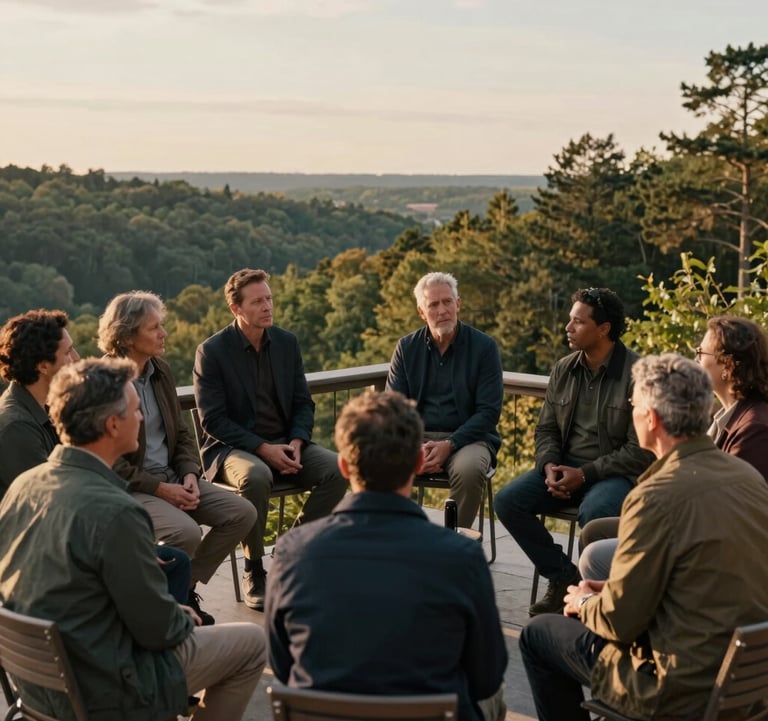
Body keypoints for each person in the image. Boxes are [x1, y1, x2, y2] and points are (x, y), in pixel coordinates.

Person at [0, 357, 266, 720]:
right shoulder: (116, 511)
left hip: (40, 684)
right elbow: (159, 631)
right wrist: (179, 617)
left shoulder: (23, 487)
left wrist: (170, 613)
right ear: (112, 424)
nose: (141, 419)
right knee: (252, 643)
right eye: (137, 411)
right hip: (108, 685)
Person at [519, 354, 768, 721]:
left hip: (678, 689)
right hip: (748, 681)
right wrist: (610, 590)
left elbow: (621, 622)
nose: (631, 412)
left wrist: (586, 602)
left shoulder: (654, 495)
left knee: (539, 634)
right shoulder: (749, 480)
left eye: (632, 404)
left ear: (651, 419)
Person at [265, 390, 508, 721]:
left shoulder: (293, 552)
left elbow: (283, 666)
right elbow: (486, 677)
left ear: (343, 466)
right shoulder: (461, 557)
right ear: (419, 462)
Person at [0, 309, 193, 603]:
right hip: (47, 565)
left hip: (67, 546)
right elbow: (55, 513)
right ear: (42, 365)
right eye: (68, 352)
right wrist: (126, 553)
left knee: (172, 562)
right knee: (174, 564)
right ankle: (165, 636)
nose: (77, 359)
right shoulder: (16, 427)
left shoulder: (45, 407)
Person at [193, 268, 348, 611]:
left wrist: (296, 441)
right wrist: (263, 448)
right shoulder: (212, 352)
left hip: (285, 442)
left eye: (269, 299)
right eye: (258, 301)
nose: (267, 306)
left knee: (339, 468)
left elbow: (302, 402)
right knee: (256, 476)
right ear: (236, 308)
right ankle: (254, 569)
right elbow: (213, 420)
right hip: (233, 449)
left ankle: (291, 546)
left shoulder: (286, 342)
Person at [98, 291, 257, 624]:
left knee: (241, 512)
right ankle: (168, 609)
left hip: (174, 476)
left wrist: (188, 474)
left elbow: (183, 434)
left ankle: (183, 589)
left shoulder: (161, 371)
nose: (163, 334)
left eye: (162, 325)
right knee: (185, 533)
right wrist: (160, 489)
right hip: (132, 486)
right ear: (127, 337)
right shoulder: (105, 383)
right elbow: (109, 461)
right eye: (154, 328)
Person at [494, 288, 654, 616]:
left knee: (596, 514)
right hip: (566, 468)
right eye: (569, 320)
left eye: (578, 322)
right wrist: (549, 465)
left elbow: (639, 451)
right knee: (507, 501)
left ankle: (593, 599)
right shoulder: (564, 369)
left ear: (604, 329)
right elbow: (547, 430)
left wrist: (584, 475)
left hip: (612, 475)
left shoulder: (639, 374)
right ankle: (564, 578)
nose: (568, 327)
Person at [578, 314, 768, 580]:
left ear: (728, 365)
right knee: (594, 531)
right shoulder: (731, 416)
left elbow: (727, 514)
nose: (696, 359)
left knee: (595, 555)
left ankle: (610, 608)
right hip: (697, 525)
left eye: (701, 352)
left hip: (714, 550)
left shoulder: (754, 430)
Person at [386, 272, 503, 527]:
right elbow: (394, 410)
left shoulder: (484, 347)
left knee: (470, 470)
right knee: (378, 461)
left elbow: (488, 412)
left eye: (448, 302)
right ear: (421, 311)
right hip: (417, 437)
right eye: (433, 304)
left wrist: (450, 444)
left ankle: (451, 549)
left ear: (458, 304)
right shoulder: (406, 348)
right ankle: (395, 544)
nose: (442, 310)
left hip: (469, 439)